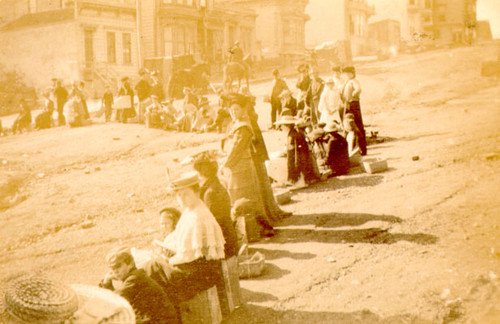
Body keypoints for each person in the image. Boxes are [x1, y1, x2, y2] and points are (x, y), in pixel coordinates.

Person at [150, 171, 226, 304]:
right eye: (179, 195)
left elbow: (187, 257)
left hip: (201, 275)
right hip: (198, 268)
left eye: (186, 194)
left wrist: (167, 260)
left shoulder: (197, 216)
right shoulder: (190, 210)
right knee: (154, 267)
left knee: (153, 269)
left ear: (196, 193)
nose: (182, 199)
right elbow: (185, 243)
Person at [222, 99, 275, 236]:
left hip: (242, 166)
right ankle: (246, 229)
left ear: (242, 111)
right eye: (232, 110)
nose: (234, 112)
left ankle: (259, 228)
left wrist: (226, 164)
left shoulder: (243, 127)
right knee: (240, 197)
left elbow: (236, 149)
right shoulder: (236, 125)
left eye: (237, 110)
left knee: (247, 197)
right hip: (237, 166)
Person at [99, 246, 178, 323]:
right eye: (112, 268)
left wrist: (106, 284)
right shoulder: (135, 277)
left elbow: (115, 300)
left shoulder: (135, 279)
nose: (115, 271)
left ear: (130, 264)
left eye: (118, 266)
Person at [193, 151, 238, 259]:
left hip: (223, 246)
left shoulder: (211, 193)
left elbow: (211, 223)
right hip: (227, 239)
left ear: (200, 172)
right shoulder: (215, 184)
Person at [277, 116, 320, 186]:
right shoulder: (293, 134)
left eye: (282, 126)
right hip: (298, 155)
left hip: (298, 157)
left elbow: (294, 150)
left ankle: (296, 180)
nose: (281, 127)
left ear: (287, 126)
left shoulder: (293, 135)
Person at [341, 66, 367, 155]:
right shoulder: (346, 81)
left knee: (357, 125)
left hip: (353, 104)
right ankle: (353, 148)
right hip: (347, 104)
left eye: (349, 73)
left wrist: (353, 95)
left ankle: (362, 148)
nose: (348, 75)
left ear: (353, 73)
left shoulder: (354, 81)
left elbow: (358, 89)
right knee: (349, 125)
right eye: (346, 73)